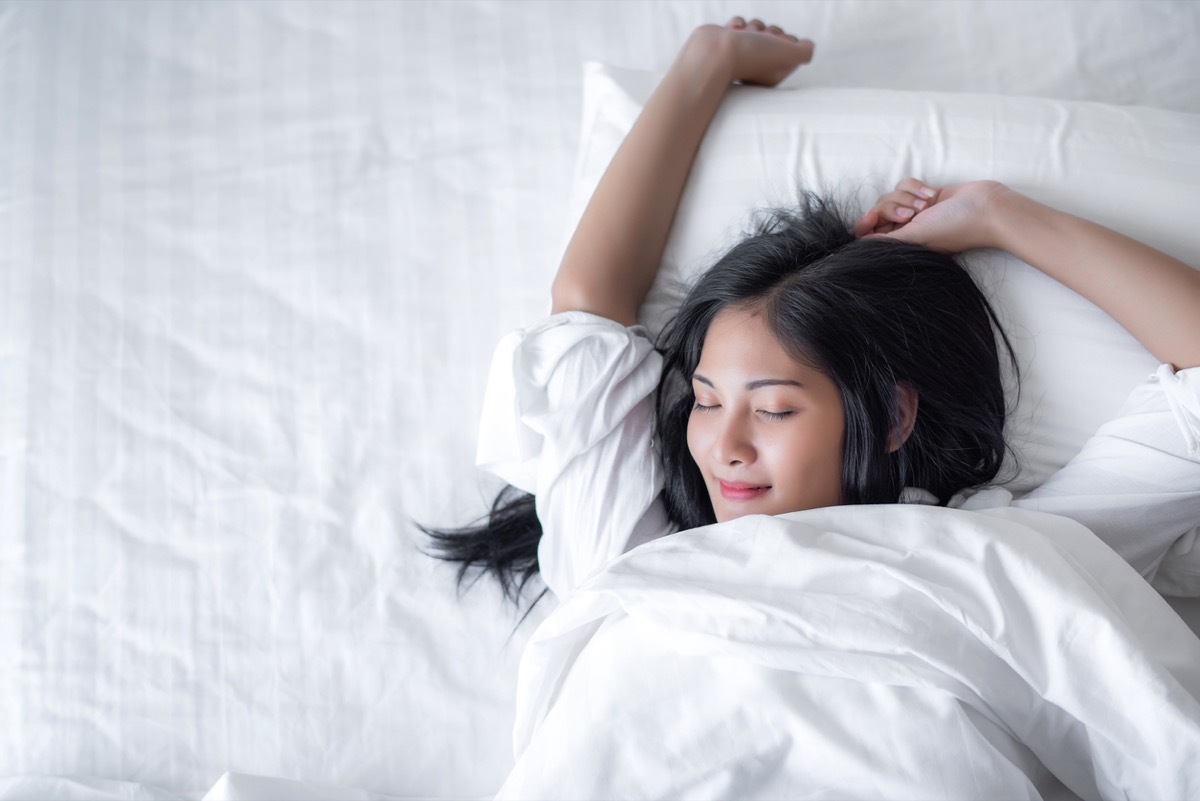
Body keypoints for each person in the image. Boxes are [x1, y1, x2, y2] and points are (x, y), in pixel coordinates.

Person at [427, 17, 1200, 607]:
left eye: (773, 408)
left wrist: (998, 215)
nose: (722, 445)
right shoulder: (636, 565)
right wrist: (706, 64)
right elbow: (585, 314)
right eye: (704, 399)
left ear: (892, 416)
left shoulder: (1003, 555)